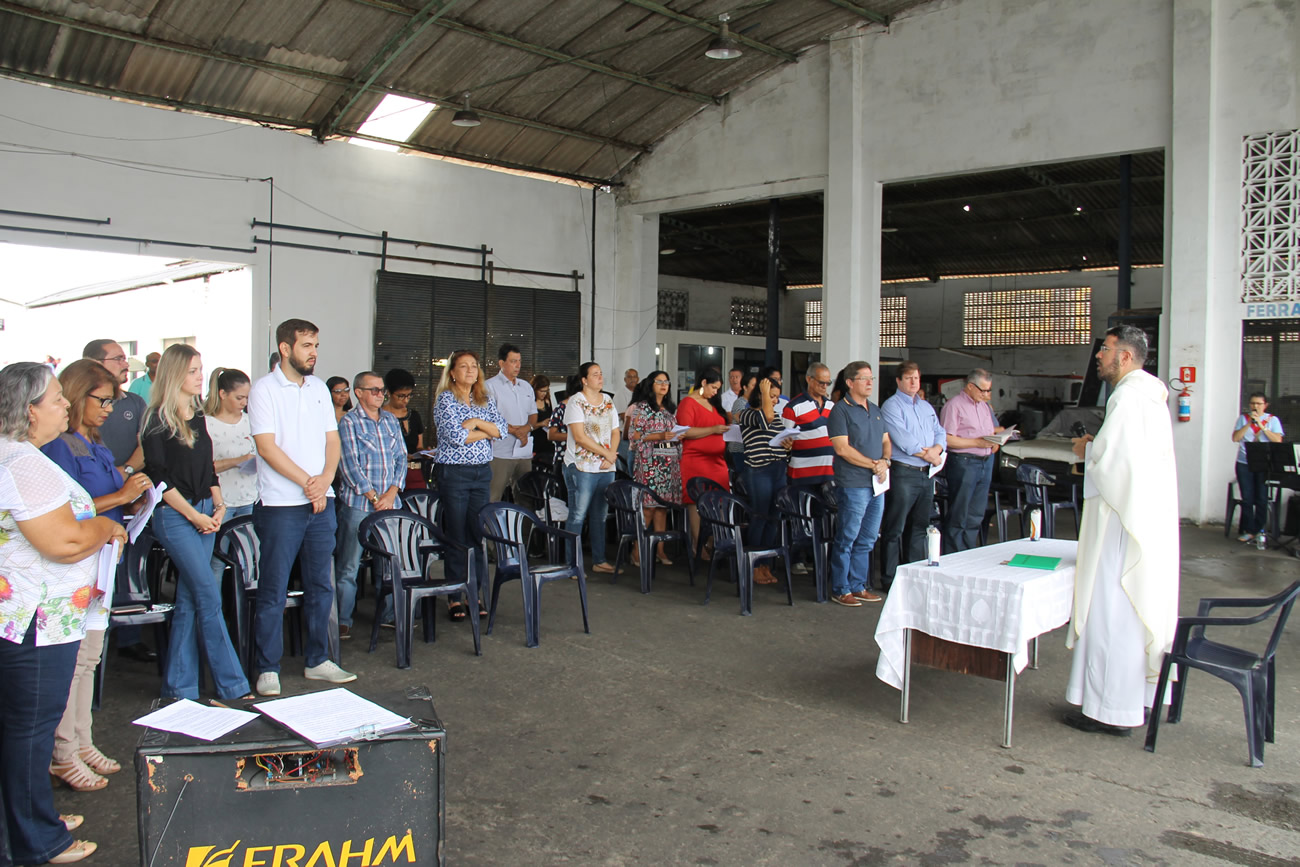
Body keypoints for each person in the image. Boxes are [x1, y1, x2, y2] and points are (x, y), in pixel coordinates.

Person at [0, 361, 127, 865]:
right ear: (30, 411)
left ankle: (29, 821)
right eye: (56, 399)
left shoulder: (17, 455)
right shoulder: (22, 462)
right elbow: (64, 540)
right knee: (30, 731)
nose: (64, 406)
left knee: (20, 729)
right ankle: (36, 840)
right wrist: (106, 528)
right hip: (37, 618)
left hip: (26, 614)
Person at [41, 361, 152, 795]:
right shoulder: (59, 446)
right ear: (75, 395)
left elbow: (104, 498)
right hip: (75, 560)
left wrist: (133, 502)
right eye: (102, 400)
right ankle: (63, 751)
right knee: (71, 663)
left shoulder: (95, 442)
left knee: (89, 657)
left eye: (112, 401)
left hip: (103, 557)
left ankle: (82, 740)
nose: (109, 409)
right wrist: (121, 495)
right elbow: (66, 508)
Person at [1064, 325, 1179, 736]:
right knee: (1129, 610)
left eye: (1106, 349)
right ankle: (1129, 700)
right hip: (1143, 518)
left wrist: (1087, 450)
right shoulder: (1150, 395)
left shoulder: (1129, 397)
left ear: (1125, 356)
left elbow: (1113, 466)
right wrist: (1099, 447)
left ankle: (1110, 712)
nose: (1099, 356)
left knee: (1111, 612)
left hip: (1120, 523)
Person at [249, 319, 354, 697]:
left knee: (321, 585)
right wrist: (310, 483)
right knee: (274, 588)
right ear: (285, 348)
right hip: (281, 505)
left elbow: (332, 440)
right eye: (307, 345)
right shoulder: (263, 389)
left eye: (316, 346)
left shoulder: (319, 389)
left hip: (321, 501)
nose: (314, 353)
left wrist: (325, 479)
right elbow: (267, 447)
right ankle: (267, 667)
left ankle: (317, 659)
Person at [142, 345, 251, 709]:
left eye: (200, 369)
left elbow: (207, 470)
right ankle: (232, 684)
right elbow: (158, 478)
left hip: (205, 510)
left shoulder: (197, 415)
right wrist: (195, 515)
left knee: (190, 598)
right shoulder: (156, 419)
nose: (200, 376)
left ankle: (179, 687)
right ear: (174, 374)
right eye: (192, 370)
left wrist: (218, 506)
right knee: (207, 595)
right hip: (176, 515)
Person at [82, 338, 153, 663]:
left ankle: (127, 637)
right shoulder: (71, 436)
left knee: (125, 571)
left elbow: (145, 443)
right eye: (118, 358)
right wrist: (117, 484)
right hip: (94, 509)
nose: (126, 364)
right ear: (95, 364)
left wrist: (126, 475)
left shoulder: (134, 403)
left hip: (124, 497)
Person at [433, 349, 505, 618]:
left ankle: (474, 593)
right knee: (457, 534)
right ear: (452, 372)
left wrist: (475, 422)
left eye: (474, 366)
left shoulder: (484, 399)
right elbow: (455, 437)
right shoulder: (446, 399)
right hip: (455, 473)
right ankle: (454, 595)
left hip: (481, 473)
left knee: (476, 533)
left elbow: (502, 430)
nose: (471, 370)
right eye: (464, 366)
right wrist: (486, 431)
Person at [335, 371, 406, 639]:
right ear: (359, 393)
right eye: (374, 390)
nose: (380, 394)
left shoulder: (390, 420)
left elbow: (401, 457)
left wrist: (391, 493)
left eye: (382, 390)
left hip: (390, 503)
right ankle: (343, 619)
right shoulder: (349, 422)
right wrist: (375, 498)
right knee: (349, 565)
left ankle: (388, 615)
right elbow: (349, 465)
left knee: (389, 562)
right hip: (358, 504)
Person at [826, 362, 891, 607]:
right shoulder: (840, 411)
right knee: (848, 537)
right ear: (850, 383)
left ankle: (858, 585)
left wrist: (885, 461)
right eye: (864, 378)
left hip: (877, 483)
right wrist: (874, 464)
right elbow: (842, 449)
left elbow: (886, 441)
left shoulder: (875, 409)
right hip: (853, 483)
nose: (870, 382)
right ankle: (841, 588)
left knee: (868, 537)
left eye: (871, 378)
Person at [878, 361, 946, 592]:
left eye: (916, 378)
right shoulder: (891, 406)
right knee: (895, 527)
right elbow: (903, 440)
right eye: (908, 378)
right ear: (898, 381)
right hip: (904, 472)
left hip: (926, 474)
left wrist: (937, 450)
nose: (913, 382)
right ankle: (890, 578)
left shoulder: (926, 407)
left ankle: (912, 575)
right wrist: (931, 455)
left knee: (919, 526)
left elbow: (940, 432)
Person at [562, 362, 620, 574]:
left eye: (601, 374)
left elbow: (615, 431)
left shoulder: (608, 401)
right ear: (584, 380)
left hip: (605, 466)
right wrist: (607, 453)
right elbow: (579, 437)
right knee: (578, 515)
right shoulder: (576, 402)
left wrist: (611, 455)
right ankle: (572, 564)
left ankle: (599, 560)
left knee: (600, 515)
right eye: (595, 374)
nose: (600, 377)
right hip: (582, 466)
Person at [939, 369, 1005, 552]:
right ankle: (953, 555)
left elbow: (990, 432)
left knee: (976, 513)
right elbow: (947, 439)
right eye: (983, 390)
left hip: (985, 461)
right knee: (959, 513)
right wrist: (976, 442)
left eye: (989, 390)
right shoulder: (954, 406)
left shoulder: (984, 407)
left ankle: (968, 552)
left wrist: (995, 442)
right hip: (965, 462)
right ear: (970, 386)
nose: (986, 394)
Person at [625, 370, 684, 565]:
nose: (664, 384)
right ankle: (636, 550)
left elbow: (672, 432)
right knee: (648, 508)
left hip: (669, 462)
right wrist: (659, 436)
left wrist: (678, 435)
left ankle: (660, 550)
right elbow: (633, 435)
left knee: (662, 509)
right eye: (659, 381)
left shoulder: (670, 409)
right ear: (651, 384)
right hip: (649, 462)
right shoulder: (642, 408)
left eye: (666, 381)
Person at [737, 375, 790, 585]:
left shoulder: (775, 416)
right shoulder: (747, 414)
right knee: (760, 516)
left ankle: (766, 563)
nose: (775, 401)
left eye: (776, 397)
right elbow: (765, 417)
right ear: (761, 395)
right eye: (772, 396)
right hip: (759, 470)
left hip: (778, 468)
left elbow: (778, 435)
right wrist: (764, 392)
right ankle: (754, 565)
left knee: (773, 518)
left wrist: (788, 445)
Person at [676, 367, 730, 551]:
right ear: (704, 383)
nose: (715, 392)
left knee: (720, 501)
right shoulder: (688, 403)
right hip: (695, 460)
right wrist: (713, 430)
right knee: (696, 501)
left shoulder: (714, 403)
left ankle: (714, 541)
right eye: (713, 387)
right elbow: (685, 431)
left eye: (718, 389)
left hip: (717, 462)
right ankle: (698, 545)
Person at [203, 368, 257, 523]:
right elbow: (202, 469)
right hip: (220, 502)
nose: (244, 403)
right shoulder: (206, 424)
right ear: (223, 394)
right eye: (239, 398)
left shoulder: (251, 421)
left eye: (247, 398)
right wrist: (238, 461)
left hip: (250, 498)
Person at [486, 344, 537, 502]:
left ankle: (522, 520)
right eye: (513, 361)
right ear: (501, 363)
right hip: (500, 451)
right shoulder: (489, 386)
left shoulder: (526, 386)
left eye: (519, 361)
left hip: (523, 450)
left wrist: (526, 428)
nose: (518, 365)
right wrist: (515, 431)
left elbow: (533, 414)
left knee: (526, 498)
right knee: (493, 496)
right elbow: (489, 418)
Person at [1231, 392, 1284, 543]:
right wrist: (1249, 423)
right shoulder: (1243, 419)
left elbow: (1278, 440)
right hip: (1244, 463)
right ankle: (1249, 530)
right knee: (1247, 498)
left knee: (1261, 498)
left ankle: (1259, 529)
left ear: (1265, 405)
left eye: (1258, 404)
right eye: (1252, 403)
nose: (1255, 406)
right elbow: (1235, 438)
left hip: (1263, 464)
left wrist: (1262, 426)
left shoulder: (1272, 420)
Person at [782, 362, 836, 486]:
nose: (825, 386)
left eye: (828, 383)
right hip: (802, 475)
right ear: (809, 379)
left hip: (828, 474)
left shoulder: (832, 406)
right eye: (821, 382)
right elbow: (783, 439)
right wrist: (787, 446)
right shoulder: (793, 407)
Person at [383, 369, 425, 490]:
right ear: (388, 393)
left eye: (409, 395)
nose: (405, 400)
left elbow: (419, 446)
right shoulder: (380, 417)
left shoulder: (414, 416)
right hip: (389, 474)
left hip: (414, 472)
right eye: (401, 396)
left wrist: (424, 453)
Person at [530, 374, 557, 471]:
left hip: (548, 440)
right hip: (536, 441)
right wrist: (541, 423)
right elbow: (528, 426)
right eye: (541, 391)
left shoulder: (547, 401)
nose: (543, 394)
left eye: (546, 391)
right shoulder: (530, 403)